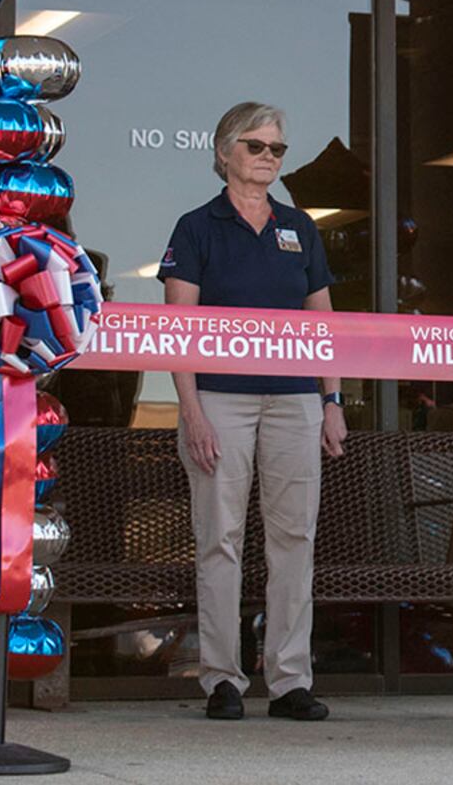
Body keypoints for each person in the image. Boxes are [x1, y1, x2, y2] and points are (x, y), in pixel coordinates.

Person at [158, 102, 348, 723]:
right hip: (220, 399)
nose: (268, 157)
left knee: (295, 538)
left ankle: (291, 678)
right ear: (224, 153)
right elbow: (177, 328)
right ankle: (222, 678)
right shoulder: (197, 226)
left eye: (277, 149)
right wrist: (191, 411)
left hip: (295, 400)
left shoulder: (300, 227)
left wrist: (332, 402)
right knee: (220, 539)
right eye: (256, 146)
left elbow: (324, 325)